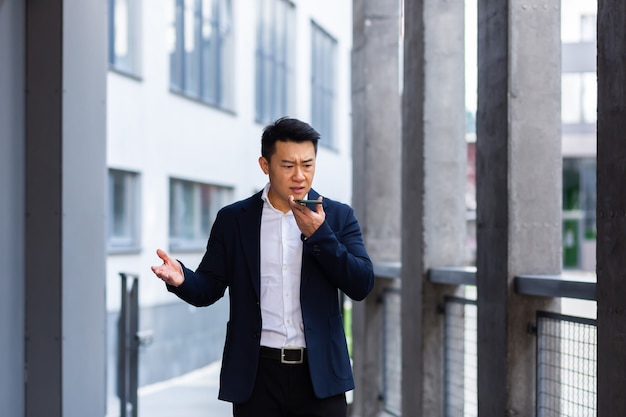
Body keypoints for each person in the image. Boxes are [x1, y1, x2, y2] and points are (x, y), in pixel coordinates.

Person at [151, 117, 374, 417]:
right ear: (265, 165)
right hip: (256, 377)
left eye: (307, 164)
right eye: (287, 165)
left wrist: (321, 236)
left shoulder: (337, 216)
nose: (299, 175)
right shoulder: (234, 220)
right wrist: (182, 279)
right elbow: (209, 287)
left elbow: (361, 284)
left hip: (320, 377)